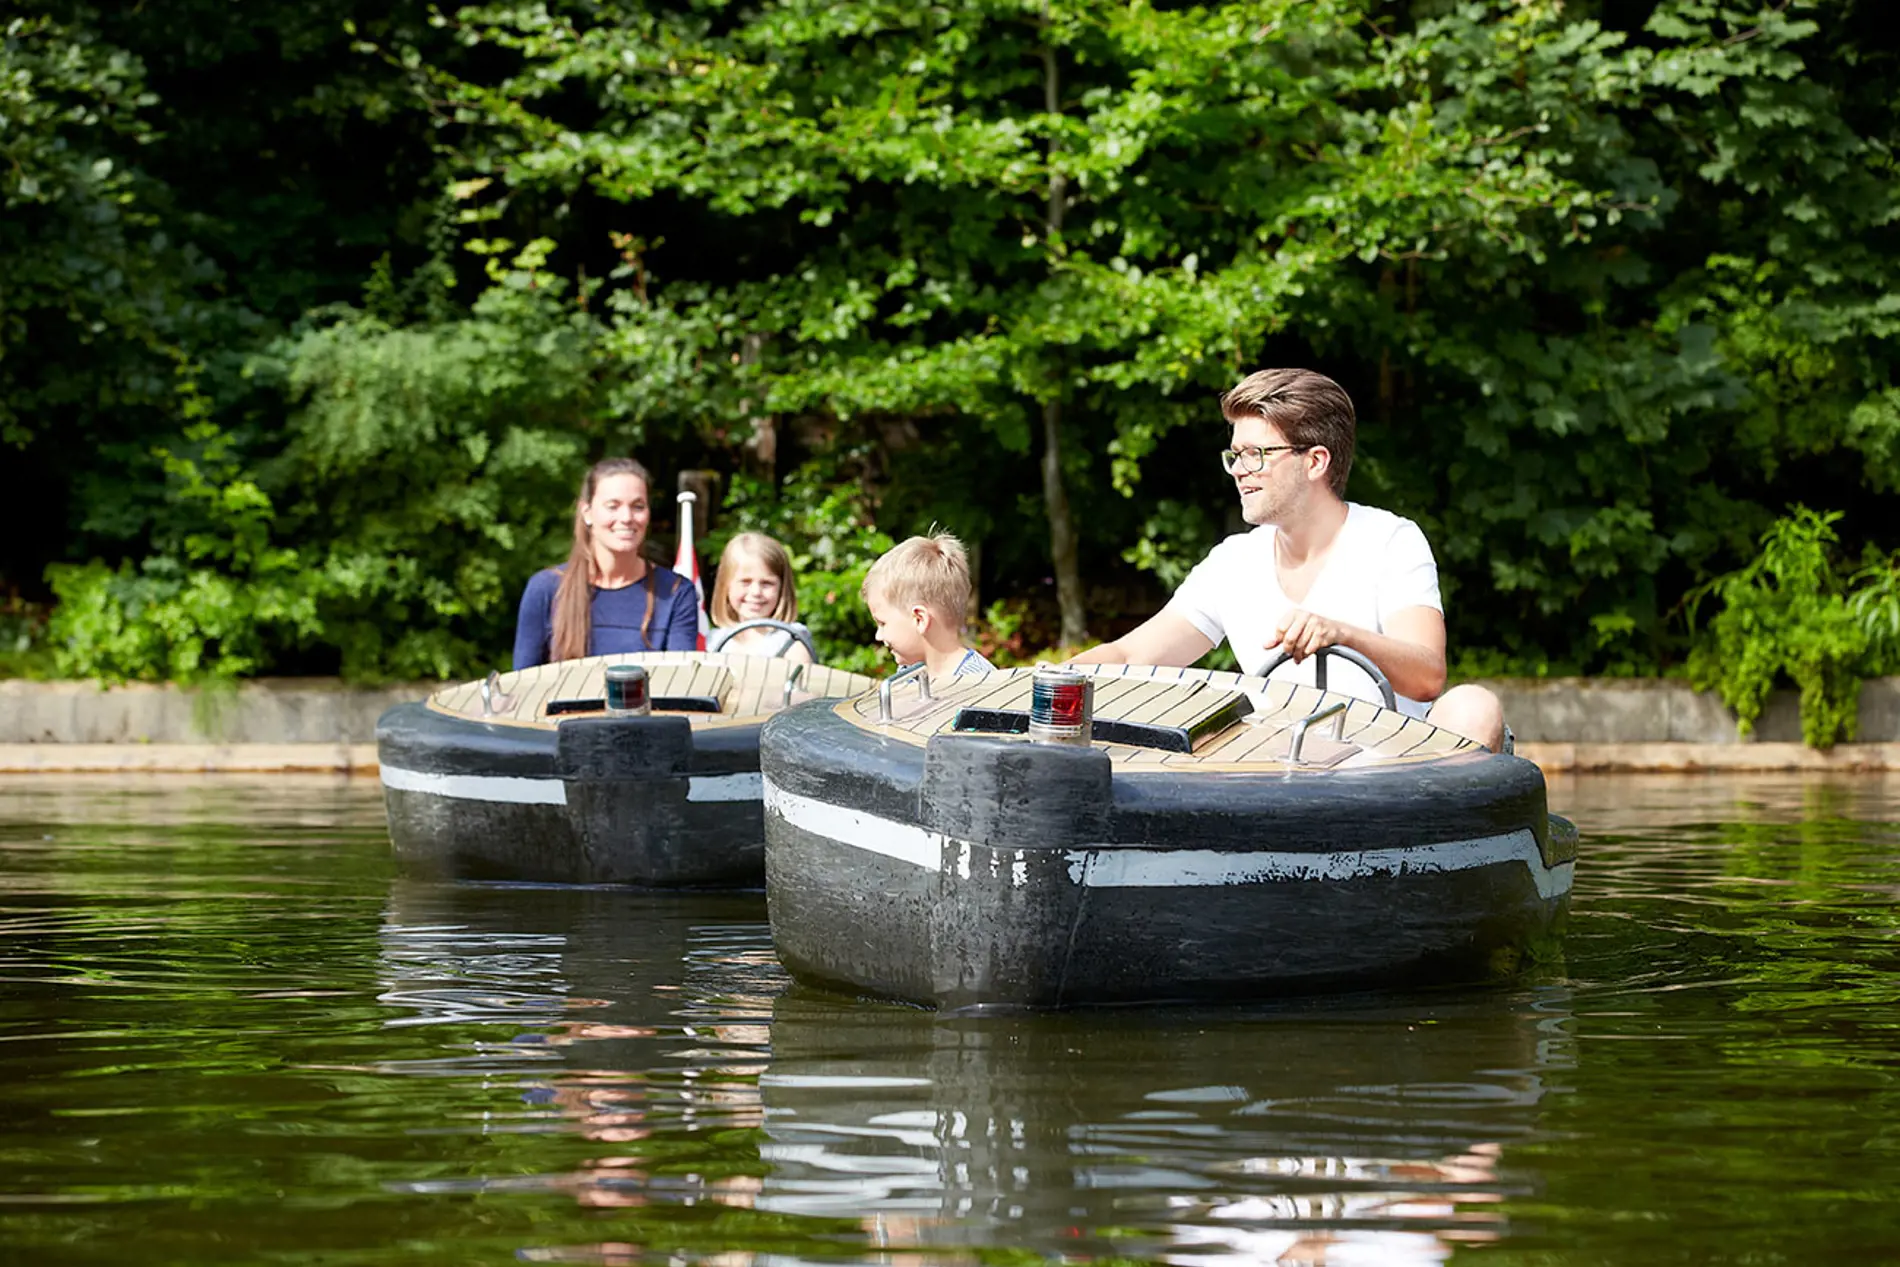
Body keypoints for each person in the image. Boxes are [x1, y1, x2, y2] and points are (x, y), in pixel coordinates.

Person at [1069, 368, 1506, 750]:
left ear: (1315, 462)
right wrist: (1045, 676)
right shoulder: (1232, 562)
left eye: (1256, 455)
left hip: (1390, 781)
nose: (1240, 469)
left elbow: (1427, 677)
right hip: (1281, 780)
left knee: (1474, 706)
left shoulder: (1392, 539)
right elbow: (1132, 654)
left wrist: (1341, 633)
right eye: (1235, 456)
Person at [511, 457, 704, 669]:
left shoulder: (676, 592)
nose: (627, 517)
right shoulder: (546, 589)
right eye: (613, 506)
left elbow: (680, 688)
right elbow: (524, 686)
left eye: (638, 506)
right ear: (587, 513)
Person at [861, 531, 997, 680]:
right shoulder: (907, 675)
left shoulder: (982, 684)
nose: (878, 636)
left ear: (920, 619)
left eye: (882, 623)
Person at [709, 532, 814, 664]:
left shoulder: (792, 642)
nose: (756, 592)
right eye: (745, 582)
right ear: (726, 586)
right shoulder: (714, 642)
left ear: (782, 588)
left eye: (767, 583)